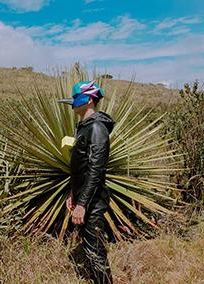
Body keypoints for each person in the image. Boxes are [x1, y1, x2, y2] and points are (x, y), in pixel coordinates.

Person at [58, 80, 114, 284]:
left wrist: (82, 204)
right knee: (90, 248)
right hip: (84, 197)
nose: (72, 103)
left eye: (75, 98)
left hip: (93, 200)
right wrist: (74, 193)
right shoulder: (85, 127)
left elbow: (95, 170)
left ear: (88, 99)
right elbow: (81, 168)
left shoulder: (97, 128)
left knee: (95, 251)